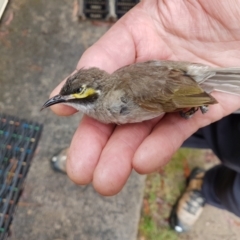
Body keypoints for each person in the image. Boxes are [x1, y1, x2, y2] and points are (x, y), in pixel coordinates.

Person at [49, 0, 240, 231]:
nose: (71, 101)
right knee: (167, 138)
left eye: (78, 95)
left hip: (184, 88)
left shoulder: (122, 96)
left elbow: (174, 94)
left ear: (95, 93)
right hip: (181, 88)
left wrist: (197, 100)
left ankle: (206, 189)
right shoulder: (114, 92)